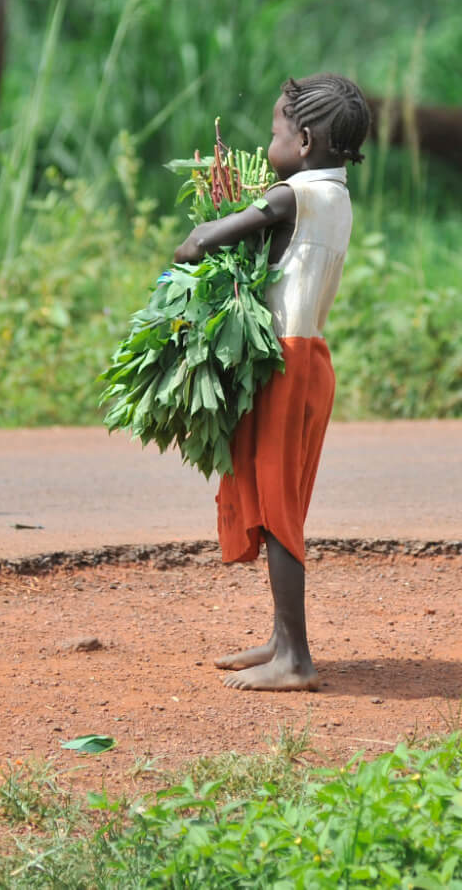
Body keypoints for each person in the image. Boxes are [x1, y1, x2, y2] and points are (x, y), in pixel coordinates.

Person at [172, 74, 370, 691]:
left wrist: (187, 252)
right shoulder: (334, 195)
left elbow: (205, 240)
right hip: (307, 359)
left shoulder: (291, 197)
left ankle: (297, 659)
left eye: (276, 131)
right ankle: (282, 640)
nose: (271, 140)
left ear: (305, 140)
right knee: (278, 495)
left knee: (279, 506)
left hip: (286, 362)